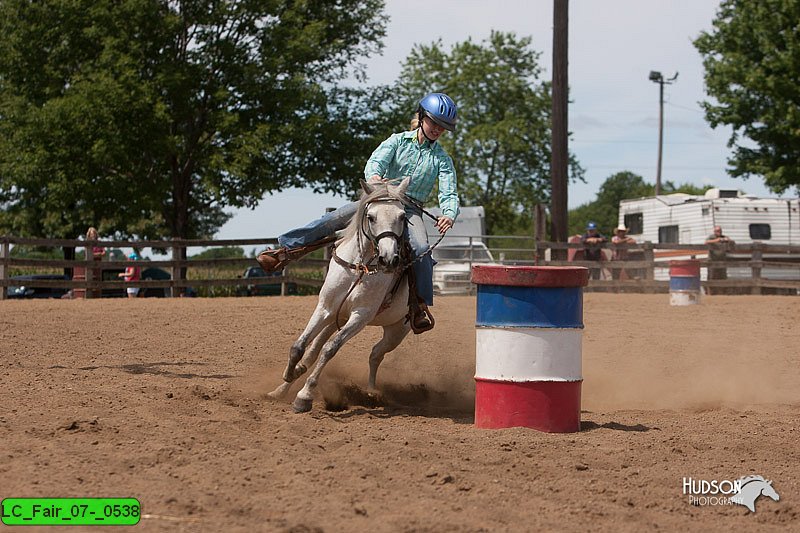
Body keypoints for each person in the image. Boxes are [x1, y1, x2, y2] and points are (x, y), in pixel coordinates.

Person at [257, 92, 460, 333]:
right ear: (422, 116)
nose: (437, 129)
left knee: (420, 248)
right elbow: (376, 161)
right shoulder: (397, 141)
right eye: (434, 123)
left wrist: (449, 213)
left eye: (443, 127)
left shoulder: (442, 160)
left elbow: (449, 191)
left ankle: (418, 304)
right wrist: (374, 176)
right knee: (332, 219)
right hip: (378, 197)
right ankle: (285, 250)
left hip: (409, 207)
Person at [85, 227, 105, 297]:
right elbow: (88, 254)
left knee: (98, 278)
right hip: (90, 264)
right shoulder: (87, 243)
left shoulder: (99, 243)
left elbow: (104, 253)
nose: (93, 235)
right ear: (89, 235)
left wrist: (94, 255)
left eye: (94, 234)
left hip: (98, 264)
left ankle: (97, 294)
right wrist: (98, 254)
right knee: (90, 277)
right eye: (91, 234)